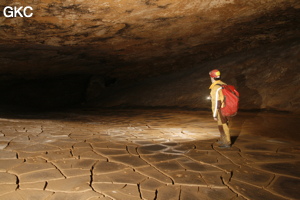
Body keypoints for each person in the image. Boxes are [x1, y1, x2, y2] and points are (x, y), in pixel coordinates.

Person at [209, 69, 231, 148]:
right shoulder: (224, 84)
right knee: (221, 125)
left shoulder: (215, 87)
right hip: (226, 107)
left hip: (220, 109)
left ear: (212, 78)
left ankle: (227, 142)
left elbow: (216, 103)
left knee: (224, 125)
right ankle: (223, 139)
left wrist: (214, 114)